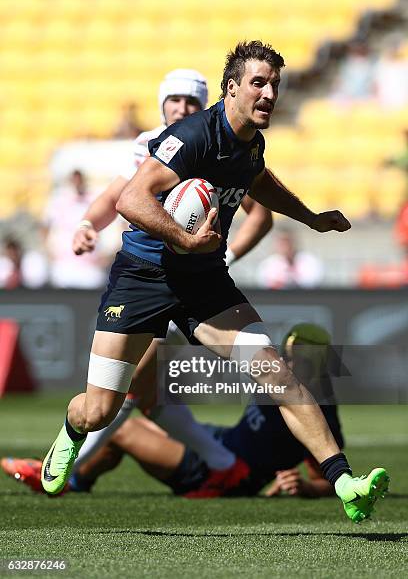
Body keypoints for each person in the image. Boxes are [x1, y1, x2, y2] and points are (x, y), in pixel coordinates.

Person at [41, 41, 389, 523]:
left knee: (277, 372)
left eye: (274, 85)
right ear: (231, 88)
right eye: (258, 83)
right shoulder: (193, 136)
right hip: (143, 277)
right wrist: (184, 236)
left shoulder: (250, 144)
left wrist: (310, 217)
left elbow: (258, 180)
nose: (268, 93)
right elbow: (131, 202)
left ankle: (345, 482)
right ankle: (72, 430)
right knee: (101, 410)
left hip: (203, 280)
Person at [70, 68, 272, 483]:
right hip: (147, 279)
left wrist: (226, 257)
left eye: (190, 102)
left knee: (129, 390)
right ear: (162, 103)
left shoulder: (216, 143)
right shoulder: (149, 144)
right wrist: (89, 224)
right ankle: (223, 465)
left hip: (190, 286)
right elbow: (118, 195)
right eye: (174, 100)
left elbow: (260, 214)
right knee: (142, 394)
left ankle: (68, 470)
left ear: (204, 105)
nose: (182, 107)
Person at [2, 324, 347, 500]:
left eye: (296, 355)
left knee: (123, 428)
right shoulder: (280, 378)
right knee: (144, 395)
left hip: (218, 471)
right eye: (287, 352)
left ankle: (70, 477)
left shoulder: (319, 412)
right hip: (219, 444)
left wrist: (305, 487)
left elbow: (327, 474)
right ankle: (76, 480)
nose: (287, 360)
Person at [43, 169, 109, 289]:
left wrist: (105, 255)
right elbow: (46, 227)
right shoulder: (59, 200)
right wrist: (49, 252)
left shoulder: (94, 199)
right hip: (64, 264)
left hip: (90, 266)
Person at [256, 229, 324, 289]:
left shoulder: (309, 261)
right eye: (281, 242)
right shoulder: (268, 264)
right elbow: (265, 285)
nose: (285, 245)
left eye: (287, 241)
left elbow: (313, 283)